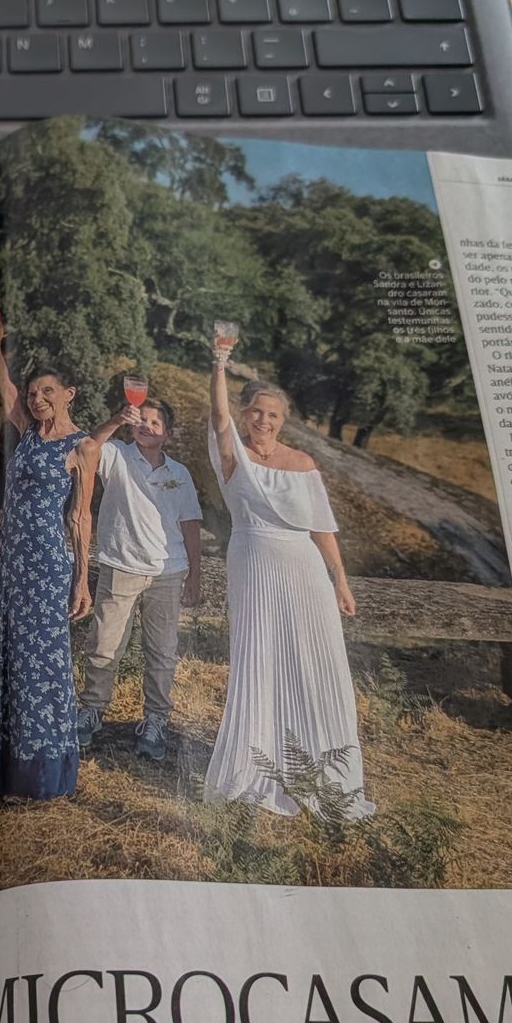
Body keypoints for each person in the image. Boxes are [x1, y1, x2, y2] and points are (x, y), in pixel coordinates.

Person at [203, 345, 373, 818]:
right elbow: (218, 418)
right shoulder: (233, 457)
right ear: (245, 414)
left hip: (306, 573)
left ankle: (326, 772)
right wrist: (218, 365)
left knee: (317, 662)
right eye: (256, 411)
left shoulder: (303, 464)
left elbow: (323, 529)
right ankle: (259, 767)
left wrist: (341, 583)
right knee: (260, 659)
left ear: (284, 419)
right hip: (253, 566)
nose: (264, 420)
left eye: (273, 414)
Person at [0, 320, 106, 801]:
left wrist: (82, 581)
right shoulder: (27, 431)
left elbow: (80, 518)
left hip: (47, 563)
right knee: (13, 657)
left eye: (48, 392)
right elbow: (4, 385)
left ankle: (43, 774)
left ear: (69, 394)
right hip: (12, 560)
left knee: (44, 664)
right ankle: (8, 766)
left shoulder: (81, 447)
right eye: (34, 393)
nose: (38, 400)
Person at [75, 392, 203, 762]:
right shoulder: (116, 454)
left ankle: (156, 720)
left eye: (155, 422)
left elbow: (191, 525)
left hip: (168, 572)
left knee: (162, 652)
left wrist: (194, 576)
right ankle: (92, 711)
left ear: (169, 434)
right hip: (120, 565)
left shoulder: (179, 474)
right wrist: (117, 419)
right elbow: (86, 447)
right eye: (142, 420)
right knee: (104, 645)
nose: (147, 426)